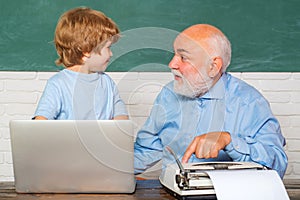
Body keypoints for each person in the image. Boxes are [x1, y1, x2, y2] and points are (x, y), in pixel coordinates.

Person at [134, 24, 288, 178]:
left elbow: (278, 165)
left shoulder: (250, 102)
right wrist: (115, 170)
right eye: (174, 55)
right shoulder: (168, 95)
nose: (172, 64)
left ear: (213, 67)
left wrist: (229, 141)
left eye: (183, 57)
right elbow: (147, 149)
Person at [33, 7, 128, 120]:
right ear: (87, 51)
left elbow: (121, 118)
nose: (111, 54)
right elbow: (41, 121)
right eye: (108, 47)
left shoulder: (107, 83)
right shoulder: (58, 84)